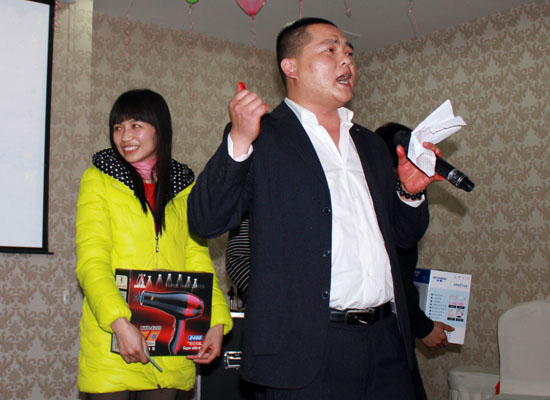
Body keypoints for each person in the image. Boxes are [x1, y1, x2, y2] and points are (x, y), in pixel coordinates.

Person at [188, 17, 443, 399]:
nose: (346, 60)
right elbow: (205, 220)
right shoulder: (263, 135)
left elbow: (403, 238)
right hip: (305, 349)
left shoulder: (371, 145)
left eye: (349, 52)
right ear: (290, 67)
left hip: (387, 343)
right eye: (330, 50)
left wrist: (409, 193)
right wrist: (239, 139)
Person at [75, 89, 233, 400]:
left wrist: (216, 323)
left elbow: (197, 259)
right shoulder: (98, 180)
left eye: (135, 125)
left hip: (169, 347)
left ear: (159, 128)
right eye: (118, 127)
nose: (124, 136)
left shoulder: (184, 187)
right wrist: (120, 324)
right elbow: (92, 261)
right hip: (113, 340)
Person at [375, 122, 455, 400]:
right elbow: (393, 272)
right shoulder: (385, 202)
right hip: (387, 332)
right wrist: (423, 326)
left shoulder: (407, 194)